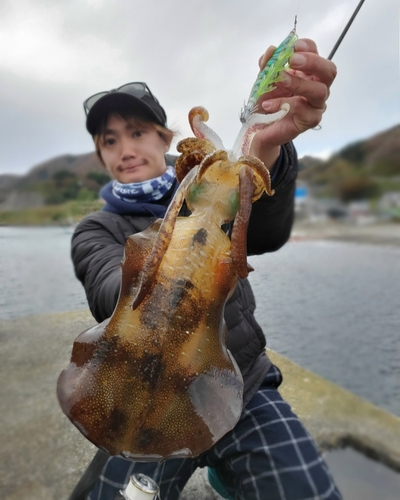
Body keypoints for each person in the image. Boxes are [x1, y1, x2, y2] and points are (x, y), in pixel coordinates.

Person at [71, 38, 340, 500]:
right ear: (101, 157)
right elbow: (106, 288)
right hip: (142, 394)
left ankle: (226, 467)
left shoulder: (220, 188)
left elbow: (265, 234)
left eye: (136, 132)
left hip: (242, 381)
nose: (125, 149)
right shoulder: (96, 228)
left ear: (165, 138)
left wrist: (265, 152)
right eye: (109, 141)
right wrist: (175, 244)